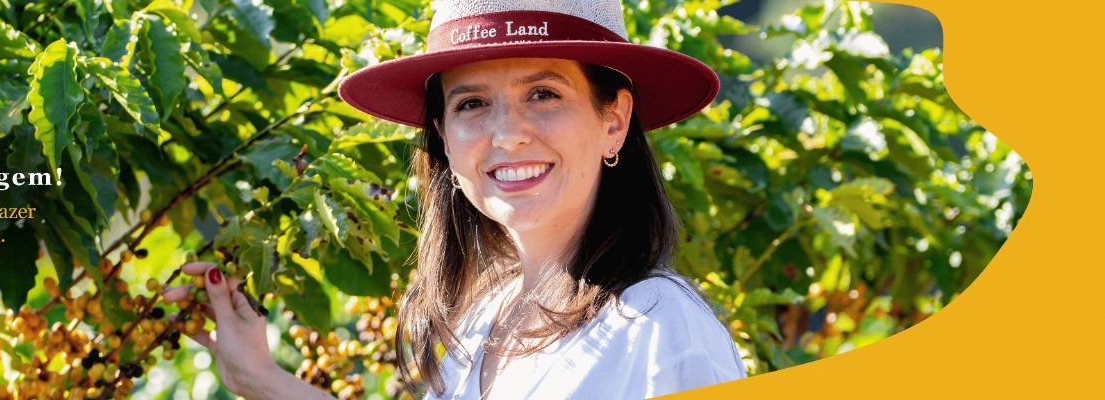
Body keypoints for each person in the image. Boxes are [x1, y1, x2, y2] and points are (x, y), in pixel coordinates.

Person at [161, 0, 747, 398]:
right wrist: (262, 376)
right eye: (471, 103)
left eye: (543, 93)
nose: (506, 133)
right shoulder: (478, 321)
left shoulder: (659, 328)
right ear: (442, 133)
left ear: (614, 121)